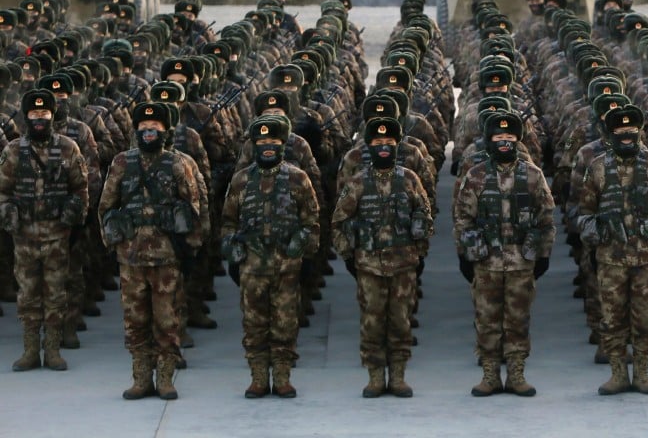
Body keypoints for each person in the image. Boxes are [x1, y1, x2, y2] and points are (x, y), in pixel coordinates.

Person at [98, 101, 202, 400]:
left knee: (167, 320)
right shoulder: (121, 162)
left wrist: (189, 251)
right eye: (143, 127)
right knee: (135, 320)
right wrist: (112, 242)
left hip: (166, 257)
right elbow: (106, 206)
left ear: (165, 130)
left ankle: (166, 377)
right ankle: (141, 377)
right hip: (130, 258)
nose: (148, 132)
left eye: (154, 127)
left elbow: (193, 206)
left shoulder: (177, 164)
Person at [453, 112, 556, 396]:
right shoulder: (476, 176)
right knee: (487, 320)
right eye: (499, 138)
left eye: (510, 138)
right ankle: (490, 375)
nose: (504, 143)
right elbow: (463, 218)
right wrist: (466, 254)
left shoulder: (533, 175)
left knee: (518, 320)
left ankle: (516, 374)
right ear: (489, 142)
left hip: (521, 263)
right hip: (486, 263)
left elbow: (546, 218)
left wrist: (542, 255)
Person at [577, 105, 648, 395]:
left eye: (631, 131)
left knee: (645, 319)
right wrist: (594, 245)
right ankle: (618, 373)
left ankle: (642, 373)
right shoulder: (597, 167)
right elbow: (584, 211)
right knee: (612, 319)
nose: (626, 136)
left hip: (646, 257)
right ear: (610, 135)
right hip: (611, 258)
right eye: (619, 132)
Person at [332, 116, 433, 399]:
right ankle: (375, 377)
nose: (384, 147)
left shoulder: (410, 179)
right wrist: (350, 258)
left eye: (389, 142)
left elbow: (424, 217)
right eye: (378, 143)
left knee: (401, 321)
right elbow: (339, 221)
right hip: (368, 266)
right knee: (372, 322)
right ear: (369, 146)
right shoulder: (357, 182)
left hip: (403, 266)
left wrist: (418, 253)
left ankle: (398, 377)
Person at [221, 115, 320, 399]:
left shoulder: (298, 178)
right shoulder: (241, 181)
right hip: (251, 268)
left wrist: (302, 247)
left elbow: (311, 220)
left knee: (285, 324)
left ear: (282, 145)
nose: (267, 147)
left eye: (273, 142)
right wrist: (231, 247)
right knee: (254, 325)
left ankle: (282, 377)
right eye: (262, 142)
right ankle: (258, 378)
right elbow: (228, 221)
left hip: (286, 268)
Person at [0, 89, 88, 372]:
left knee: (55, 292)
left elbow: (80, 188)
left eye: (44, 114)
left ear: (53, 115)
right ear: (26, 117)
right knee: (27, 293)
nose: (39, 119)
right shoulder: (13, 150)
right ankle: (29, 350)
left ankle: (52, 350)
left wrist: (74, 215)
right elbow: (2, 190)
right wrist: (9, 214)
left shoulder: (68, 148)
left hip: (56, 235)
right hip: (24, 236)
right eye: (34, 115)